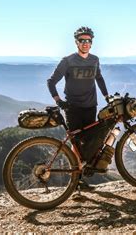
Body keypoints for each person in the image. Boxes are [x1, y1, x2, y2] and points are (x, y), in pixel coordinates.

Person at [47, 26, 109, 191]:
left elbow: (99, 78)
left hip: (91, 107)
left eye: (88, 40)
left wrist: (107, 96)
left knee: (88, 142)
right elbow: (51, 81)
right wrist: (58, 100)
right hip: (73, 108)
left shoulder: (94, 60)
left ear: (92, 43)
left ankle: (82, 174)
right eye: (82, 40)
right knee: (76, 143)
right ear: (76, 42)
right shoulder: (67, 61)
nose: (85, 43)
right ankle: (76, 180)